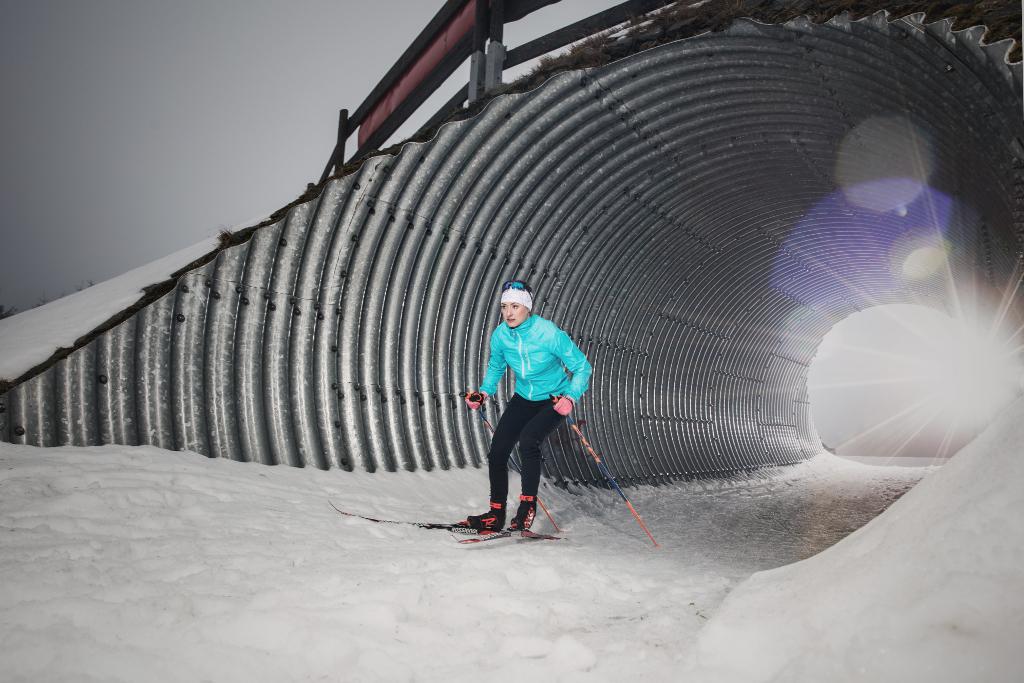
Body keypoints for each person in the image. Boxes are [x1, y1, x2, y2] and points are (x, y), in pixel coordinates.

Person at [460, 280, 592, 532]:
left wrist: (570, 397)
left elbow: (582, 367)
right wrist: (483, 393)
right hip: (523, 398)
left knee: (529, 440)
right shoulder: (500, 336)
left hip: (553, 399)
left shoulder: (549, 333)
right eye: (504, 306)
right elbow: (496, 366)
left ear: (527, 308)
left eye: (515, 306)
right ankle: (495, 513)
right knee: (498, 450)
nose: (508, 313)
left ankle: (526, 508)